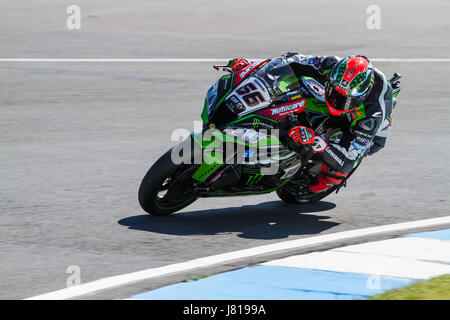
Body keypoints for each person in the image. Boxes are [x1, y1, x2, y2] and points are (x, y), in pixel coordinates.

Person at [226, 53, 395, 193]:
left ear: (362, 96)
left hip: (364, 134)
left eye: (344, 100)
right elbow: (290, 60)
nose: (337, 102)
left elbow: (347, 160)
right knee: (293, 89)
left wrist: (316, 141)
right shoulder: (330, 64)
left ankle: (324, 181)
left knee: (338, 172)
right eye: (335, 94)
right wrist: (252, 66)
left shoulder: (372, 115)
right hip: (332, 100)